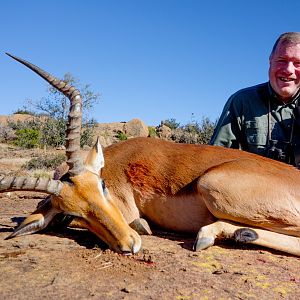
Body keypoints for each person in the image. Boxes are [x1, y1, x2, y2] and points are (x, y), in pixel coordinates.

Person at [210, 32, 300, 168]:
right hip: (250, 187)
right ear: (270, 60)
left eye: (298, 63)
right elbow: (215, 158)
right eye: (282, 60)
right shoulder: (241, 101)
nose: (289, 70)